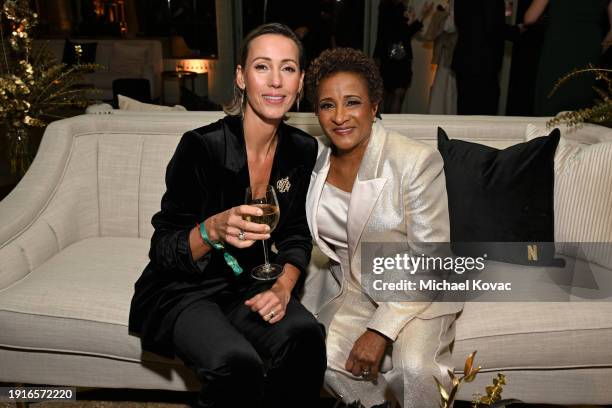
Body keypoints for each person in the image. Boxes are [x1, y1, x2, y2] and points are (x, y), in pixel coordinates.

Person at [128, 23, 326, 408]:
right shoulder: (201, 147)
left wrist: (284, 287)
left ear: (300, 82)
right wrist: (211, 229)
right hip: (186, 289)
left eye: (287, 69)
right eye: (261, 66)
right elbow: (163, 249)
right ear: (240, 76)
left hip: (248, 283)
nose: (275, 81)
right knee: (237, 366)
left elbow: (299, 233)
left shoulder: (302, 149)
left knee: (306, 337)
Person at [303, 47, 462, 408]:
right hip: (356, 289)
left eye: (352, 102)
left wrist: (379, 330)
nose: (340, 116)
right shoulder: (314, 162)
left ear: (374, 105)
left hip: (420, 289)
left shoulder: (415, 161)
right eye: (328, 105)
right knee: (316, 356)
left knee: (415, 369)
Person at [524, 0, 610, 116]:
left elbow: (530, 18)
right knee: (580, 105)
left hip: (558, 46)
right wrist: (600, 48)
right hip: (589, 48)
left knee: (551, 100)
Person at [373, 0, 433, 113]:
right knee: (398, 94)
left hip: (386, 55)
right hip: (399, 55)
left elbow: (383, 33)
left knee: (387, 95)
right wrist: (422, 17)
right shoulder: (397, 7)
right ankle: (393, 126)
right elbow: (404, 33)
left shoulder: (385, 5)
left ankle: (384, 126)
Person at [452, 0, 506, 115]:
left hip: (464, 58)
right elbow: (493, 27)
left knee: (465, 112)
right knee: (484, 115)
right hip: (483, 62)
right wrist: (515, 31)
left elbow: (459, 22)